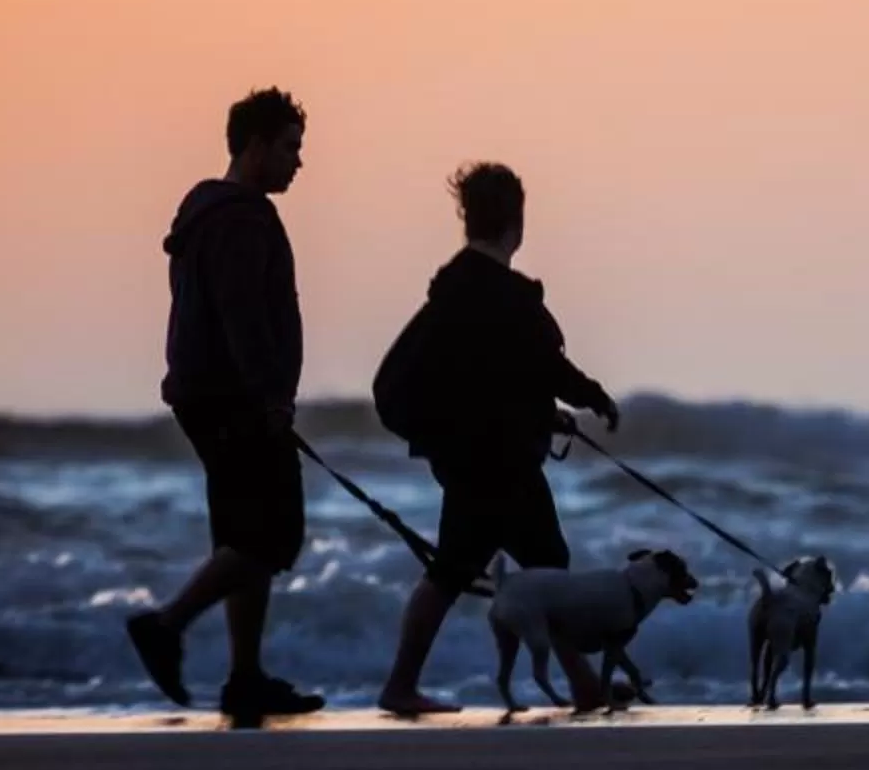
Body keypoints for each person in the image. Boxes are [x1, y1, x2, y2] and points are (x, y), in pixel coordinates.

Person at [370, 162, 622, 717]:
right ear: (517, 222)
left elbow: (485, 378)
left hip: (467, 458)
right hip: (499, 462)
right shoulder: (507, 296)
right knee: (538, 567)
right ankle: (581, 685)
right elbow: (545, 366)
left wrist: (540, 416)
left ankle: (581, 685)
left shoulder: (450, 295)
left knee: (480, 568)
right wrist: (594, 397)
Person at [125, 87, 324, 722]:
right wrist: (270, 397)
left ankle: (244, 678)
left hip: (205, 395)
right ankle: (167, 625)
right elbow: (243, 317)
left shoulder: (205, 212)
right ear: (258, 145)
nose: (299, 162)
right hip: (234, 399)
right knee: (273, 535)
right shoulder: (240, 219)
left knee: (244, 536)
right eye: (291, 148)